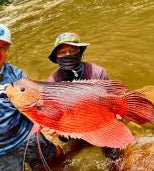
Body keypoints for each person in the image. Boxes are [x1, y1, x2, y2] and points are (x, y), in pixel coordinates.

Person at [0, 24, 56, 171]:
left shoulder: (17, 75)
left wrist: (49, 123)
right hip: (3, 153)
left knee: (53, 162)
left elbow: (36, 103)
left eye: (3, 47)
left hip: (27, 136)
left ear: (8, 50)